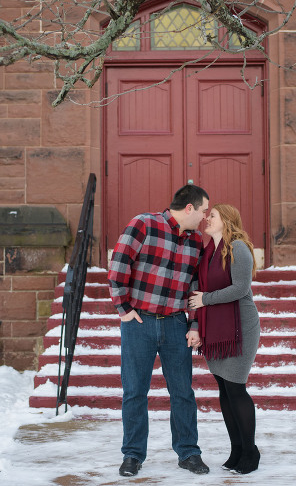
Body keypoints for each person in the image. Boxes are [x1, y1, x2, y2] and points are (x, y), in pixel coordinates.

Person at [107, 184, 211, 477]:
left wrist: (194, 324)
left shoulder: (196, 242)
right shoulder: (144, 224)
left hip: (176, 325)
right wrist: (124, 309)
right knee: (135, 392)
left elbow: (195, 288)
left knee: (182, 392)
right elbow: (118, 266)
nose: (205, 217)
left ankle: (189, 452)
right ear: (189, 208)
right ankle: (133, 455)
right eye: (203, 210)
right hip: (139, 322)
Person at [188, 203, 262, 474]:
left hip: (240, 328)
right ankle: (237, 450)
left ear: (227, 221)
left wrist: (205, 299)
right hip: (217, 329)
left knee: (236, 388)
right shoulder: (207, 252)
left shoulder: (238, 248)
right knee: (224, 390)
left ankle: (251, 452)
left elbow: (241, 288)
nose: (207, 219)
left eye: (213, 216)